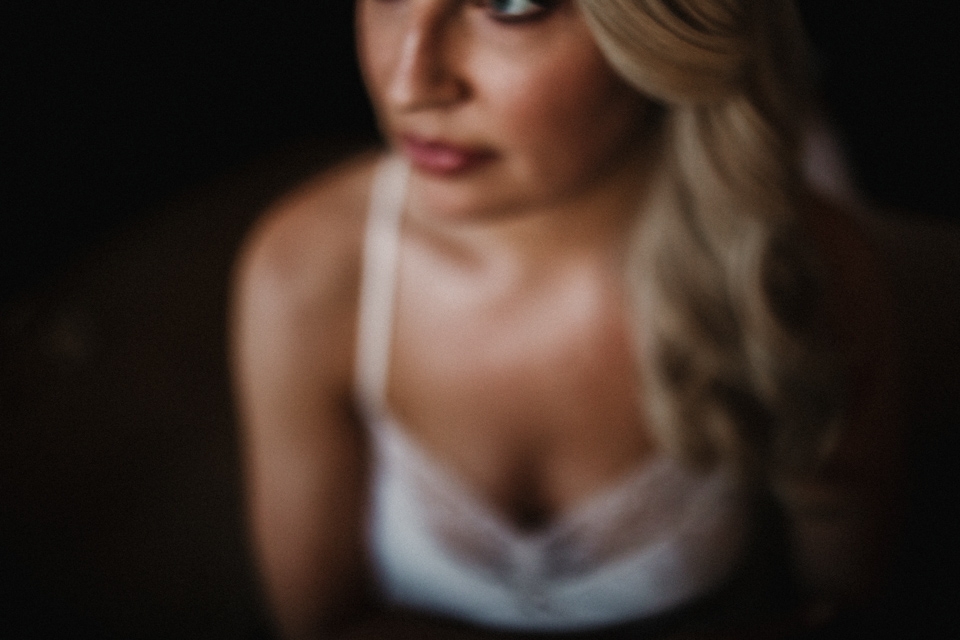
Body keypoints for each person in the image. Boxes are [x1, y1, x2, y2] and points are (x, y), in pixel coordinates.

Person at [229, 1, 903, 638]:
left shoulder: (800, 280)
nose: (411, 82)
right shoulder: (305, 275)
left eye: (512, 6)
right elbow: (319, 624)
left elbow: (852, 607)